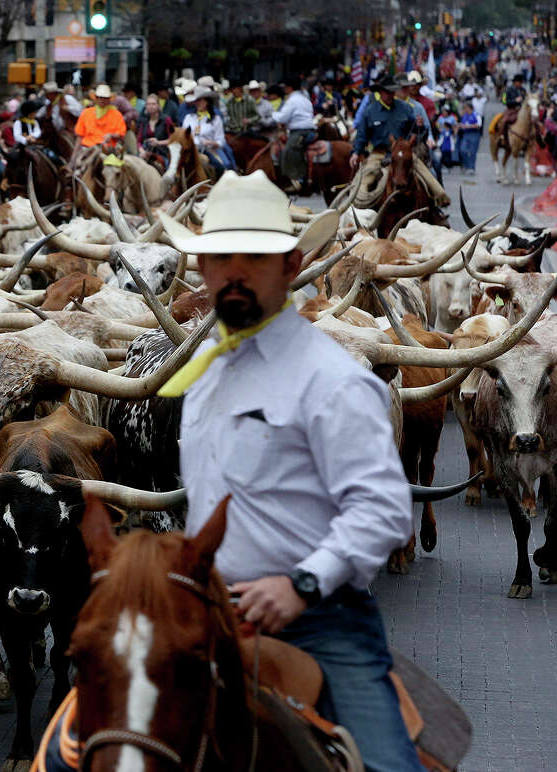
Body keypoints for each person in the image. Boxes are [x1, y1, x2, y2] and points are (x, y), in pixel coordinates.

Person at [156, 170, 426, 772]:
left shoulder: (332, 380)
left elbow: (383, 510)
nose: (234, 270)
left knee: (386, 766)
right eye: (219, 255)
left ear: (292, 263)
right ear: (200, 268)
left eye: (256, 255)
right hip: (206, 613)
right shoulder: (202, 368)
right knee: (78, 747)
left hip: (318, 622)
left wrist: (300, 585)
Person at [350, 74, 447, 208]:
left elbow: (417, 131)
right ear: (380, 92)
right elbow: (361, 135)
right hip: (379, 154)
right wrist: (355, 153)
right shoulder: (370, 111)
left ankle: (439, 203)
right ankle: (358, 210)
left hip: (404, 153)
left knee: (428, 176)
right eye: (387, 92)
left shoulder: (405, 108)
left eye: (392, 92)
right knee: (361, 185)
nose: (390, 95)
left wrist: (420, 126)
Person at [272, 75, 316, 191]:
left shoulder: (292, 101)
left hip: (299, 132)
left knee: (289, 150)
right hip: (309, 129)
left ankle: (297, 179)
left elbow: (282, 118)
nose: (284, 89)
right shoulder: (305, 99)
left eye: (285, 87)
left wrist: (272, 114)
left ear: (290, 88)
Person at [72, 83, 127, 174]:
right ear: (95, 98)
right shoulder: (86, 113)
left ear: (109, 99)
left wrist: (111, 135)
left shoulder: (116, 114)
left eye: (105, 98)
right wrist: (73, 157)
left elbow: (121, 134)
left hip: (109, 151)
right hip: (88, 149)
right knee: (76, 173)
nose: (102, 100)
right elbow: (79, 136)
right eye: (99, 97)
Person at [181, 86, 232, 174]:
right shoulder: (189, 118)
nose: (197, 103)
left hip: (210, 150)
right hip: (191, 150)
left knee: (225, 166)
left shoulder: (216, 119)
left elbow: (221, 140)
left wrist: (211, 143)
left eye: (200, 100)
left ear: (207, 102)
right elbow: (183, 135)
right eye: (196, 101)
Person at [458, 100, 483, 175]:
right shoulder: (465, 115)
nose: (465, 110)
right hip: (466, 134)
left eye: (465, 108)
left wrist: (468, 126)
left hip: (474, 134)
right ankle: (466, 165)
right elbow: (463, 123)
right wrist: (460, 126)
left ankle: (472, 168)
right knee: (462, 150)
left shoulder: (476, 114)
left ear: (470, 108)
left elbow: (478, 125)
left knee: (472, 152)